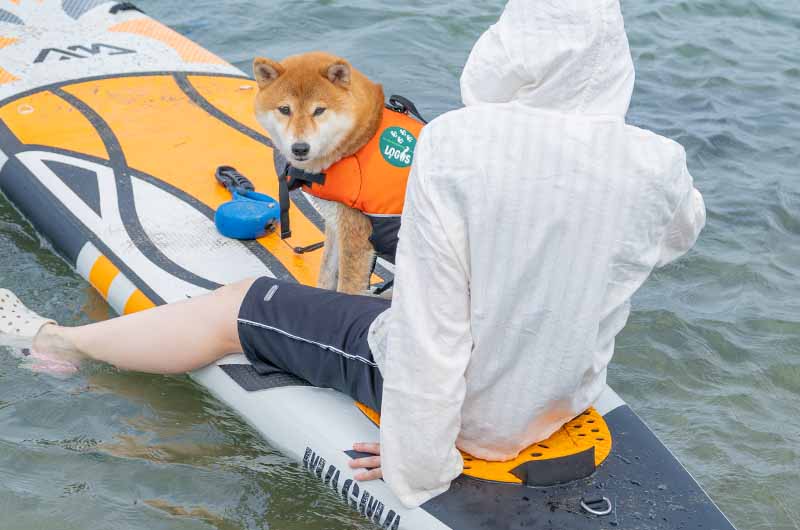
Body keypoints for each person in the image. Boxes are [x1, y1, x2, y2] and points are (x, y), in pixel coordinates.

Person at [0, 0, 705, 509]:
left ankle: (57, 341)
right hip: (562, 397)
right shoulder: (660, 165)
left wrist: (418, 462)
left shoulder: (458, 146)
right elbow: (674, 238)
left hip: (466, 414)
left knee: (235, 307)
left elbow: (432, 331)